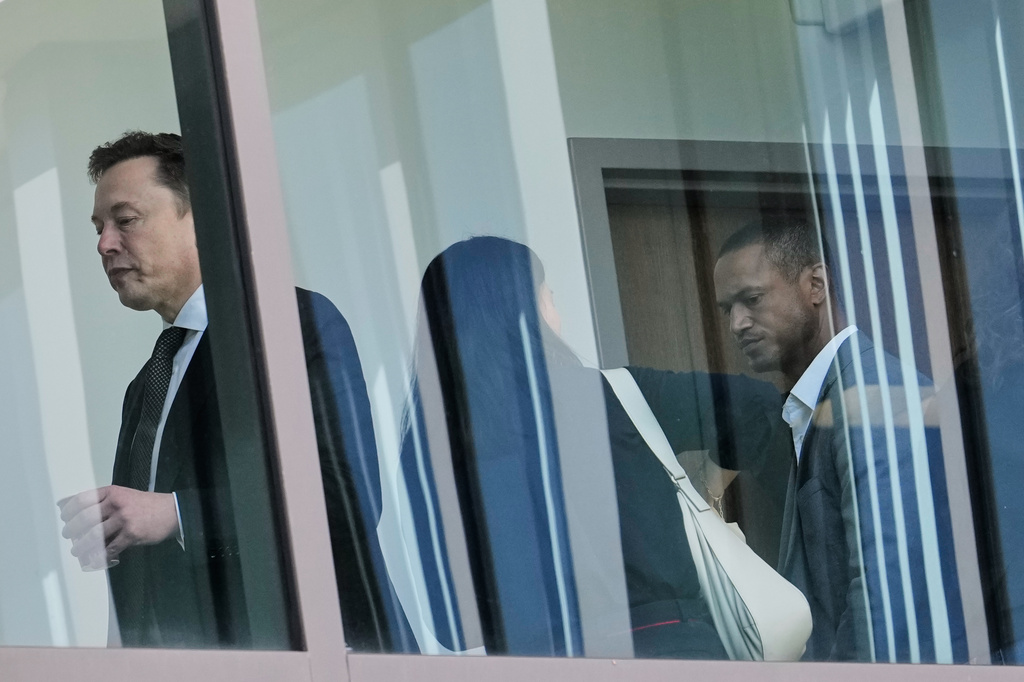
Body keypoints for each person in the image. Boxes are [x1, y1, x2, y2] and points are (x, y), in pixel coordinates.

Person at [58, 131, 410, 650]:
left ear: (202, 219)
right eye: (99, 227)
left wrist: (176, 514)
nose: (104, 243)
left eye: (125, 220)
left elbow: (345, 499)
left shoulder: (290, 323)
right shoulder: (147, 384)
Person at [396, 236, 803, 658]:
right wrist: (709, 487)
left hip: (538, 667)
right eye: (546, 292)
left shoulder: (428, 450)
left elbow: (453, 627)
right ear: (530, 309)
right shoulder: (609, 398)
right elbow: (754, 408)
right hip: (670, 653)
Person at [713, 216, 967, 662]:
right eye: (727, 309)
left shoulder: (871, 400)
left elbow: (887, 588)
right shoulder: (819, 403)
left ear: (816, 285)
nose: (736, 323)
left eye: (751, 299)